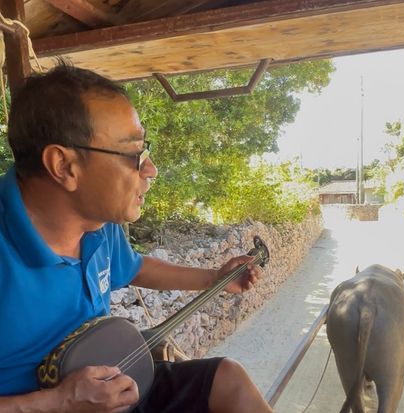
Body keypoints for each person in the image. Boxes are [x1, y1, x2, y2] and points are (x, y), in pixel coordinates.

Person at [0, 63, 274, 413]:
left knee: (228, 379)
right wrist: (57, 401)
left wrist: (214, 278)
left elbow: (135, 268)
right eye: (133, 155)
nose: (151, 169)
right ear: (64, 166)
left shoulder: (98, 223)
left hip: (112, 388)